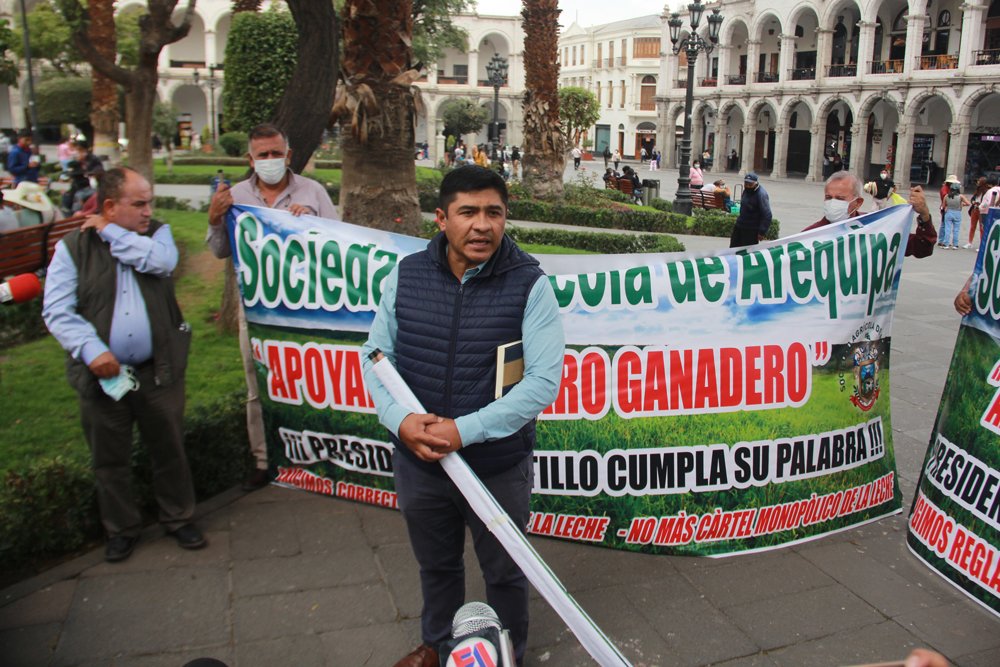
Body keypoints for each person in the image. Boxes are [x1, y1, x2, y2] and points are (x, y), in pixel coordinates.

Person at [362, 166, 563, 667]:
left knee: (506, 571)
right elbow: (375, 356)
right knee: (437, 566)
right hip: (421, 462)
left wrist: (463, 431)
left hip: (497, 465)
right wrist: (401, 422)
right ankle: (437, 646)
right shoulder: (406, 275)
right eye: (468, 212)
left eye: (493, 212)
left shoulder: (530, 285)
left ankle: (507, 651)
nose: (482, 225)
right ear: (441, 219)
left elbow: (541, 382)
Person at [42, 167, 203, 563]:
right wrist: (92, 350)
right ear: (110, 205)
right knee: (109, 456)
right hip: (104, 378)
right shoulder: (73, 249)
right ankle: (121, 528)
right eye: (139, 203)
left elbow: (160, 263)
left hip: (158, 370)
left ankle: (178, 517)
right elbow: (57, 311)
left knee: (169, 448)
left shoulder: (158, 236)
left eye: (150, 202)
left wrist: (111, 232)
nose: (149, 211)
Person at [207, 123, 339, 491]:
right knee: (258, 384)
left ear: (288, 155)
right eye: (262, 155)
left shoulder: (312, 191)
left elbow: (340, 245)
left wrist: (312, 226)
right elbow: (219, 249)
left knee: (312, 383)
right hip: (257, 312)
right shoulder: (235, 197)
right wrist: (215, 218)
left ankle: (319, 455)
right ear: (250, 159)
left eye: (275, 153)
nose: (269, 160)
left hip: (308, 309)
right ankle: (264, 460)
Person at [803, 171, 937, 258]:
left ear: (858, 203)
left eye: (840, 198)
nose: (832, 202)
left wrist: (924, 215)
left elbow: (923, 248)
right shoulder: (809, 235)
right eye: (828, 197)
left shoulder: (875, 230)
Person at [729, 173, 772, 248]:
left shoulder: (761, 194)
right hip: (740, 225)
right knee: (733, 249)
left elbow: (767, 214)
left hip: (751, 229)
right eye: (746, 183)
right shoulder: (746, 190)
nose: (747, 186)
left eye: (750, 184)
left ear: (755, 183)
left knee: (747, 252)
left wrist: (762, 232)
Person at [939, 177, 970, 249]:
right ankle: (955, 244)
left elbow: (943, 206)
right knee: (956, 229)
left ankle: (946, 243)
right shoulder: (960, 196)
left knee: (947, 228)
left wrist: (946, 208)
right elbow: (968, 203)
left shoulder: (947, 196)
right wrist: (962, 204)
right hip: (957, 212)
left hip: (949, 212)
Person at [966, 176, 989, 249]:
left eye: (979, 181)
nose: (977, 182)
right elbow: (973, 198)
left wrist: (979, 204)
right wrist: (973, 202)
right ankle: (969, 242)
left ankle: (981, 245)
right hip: (974, 209)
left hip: (981, 210)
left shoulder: (987, 191)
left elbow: (986, 202)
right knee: (972, 226)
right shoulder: (977, 190)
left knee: (981, 228)